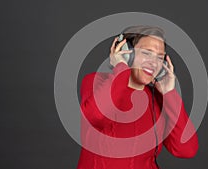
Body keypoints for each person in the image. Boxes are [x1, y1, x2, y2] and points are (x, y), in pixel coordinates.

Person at [77, 25, 199, 169]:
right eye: (147, 53)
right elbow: (97, 116)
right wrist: (121, 69)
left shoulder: (158, 99)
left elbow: (186, 149)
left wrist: (169, 94)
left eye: (160, 57)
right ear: (126, 53)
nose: (154, 63)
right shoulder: (95, 81)